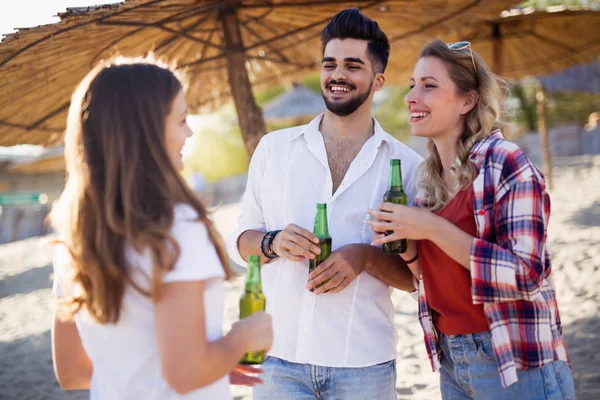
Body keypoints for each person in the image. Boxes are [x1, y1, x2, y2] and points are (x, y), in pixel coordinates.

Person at [226, 8, 422, 400]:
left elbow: (414, 278)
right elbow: (240, 244)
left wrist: (364, 257)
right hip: (276, 362)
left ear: (378, 79)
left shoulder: (409, 168)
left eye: (353, 66)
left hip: (363, 365)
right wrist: (273, 241)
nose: (338, 75)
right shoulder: (273, 150)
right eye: (329, 64)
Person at [50, 56, 273, 399]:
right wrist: (243, 337)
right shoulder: (174, 226)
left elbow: (73, 371)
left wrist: (216, 366)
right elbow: (186, 373)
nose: (190, 131)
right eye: (182, 119)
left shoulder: (78, 237)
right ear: (148, 130)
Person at [366, 40, 575, 399]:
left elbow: (526, 275)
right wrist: (408, 247)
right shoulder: (425, 181)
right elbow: (431, 281)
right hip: (450, 357)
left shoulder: (505, 162)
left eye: (429, 86)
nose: (412, 96)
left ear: (467, 100)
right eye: (413, 84)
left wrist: (431, 227)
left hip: (512, 359)